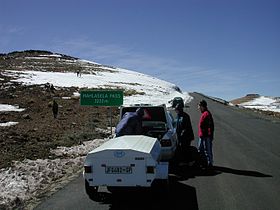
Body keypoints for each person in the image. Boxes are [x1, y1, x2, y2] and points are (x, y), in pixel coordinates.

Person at [197, 100, 215, 168]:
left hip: (206, 136)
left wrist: (209, 135)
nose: (198, 108)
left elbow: (210, 126)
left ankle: (210, 164)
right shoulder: (204, 113)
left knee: (207, 150)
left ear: (203, 106)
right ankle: (204, 162)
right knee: (200, 149)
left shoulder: (207, 114)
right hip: (202, 135)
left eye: (199, 106)